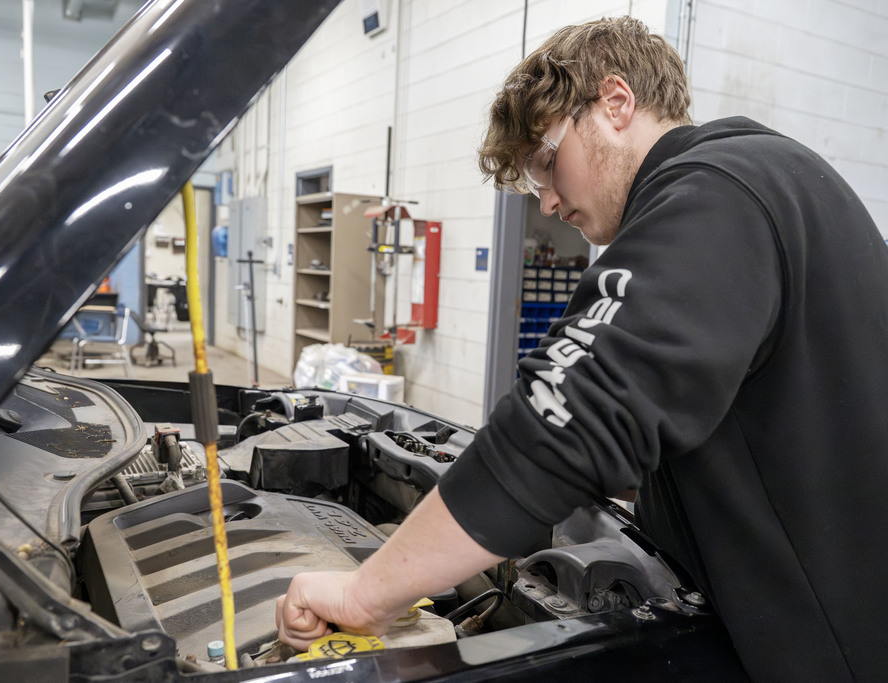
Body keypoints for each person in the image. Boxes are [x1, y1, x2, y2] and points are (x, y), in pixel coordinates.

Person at [276, 16, 888, 681]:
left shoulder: (717, 190)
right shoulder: (765, 179)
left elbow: (567, 418)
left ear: (616, 102)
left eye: (546, 161)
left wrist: (365, 595)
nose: (546, 200)